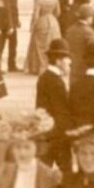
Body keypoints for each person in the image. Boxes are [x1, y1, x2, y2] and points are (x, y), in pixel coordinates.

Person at [37, 40, 74, 172]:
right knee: (67, 173)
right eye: (67, 58)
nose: (70, 62)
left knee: (42, 170)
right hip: (57, 136)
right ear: (58, 61)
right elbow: (62, 112)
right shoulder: (55, 82)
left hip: (47, 133)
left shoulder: (46, 76)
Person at [27, 0, 62, 75]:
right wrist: (52, 17)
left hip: (41, 22)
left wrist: (32, 26)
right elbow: (58, 12)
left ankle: (39, 67)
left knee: (40, 45)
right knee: (52, 44)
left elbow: (36, 15)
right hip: (53, 22)